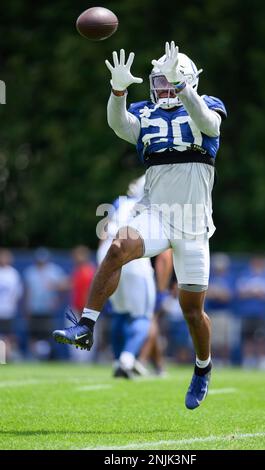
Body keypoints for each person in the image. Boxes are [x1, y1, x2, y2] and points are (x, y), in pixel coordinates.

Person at [53, 41, 227, 409]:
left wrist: (185, 90)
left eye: (170, 82)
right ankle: (85, 324)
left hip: (193, 225)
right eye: (159, 83)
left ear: (188, 82)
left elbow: (207, 123)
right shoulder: (145, 112)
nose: (162, 89)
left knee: (192, 311)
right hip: (157, 214)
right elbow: (119, 125)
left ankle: (202, 367)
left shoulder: (207, 106)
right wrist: (117, 92)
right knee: (117, 247)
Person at [97, 175, 156, 378]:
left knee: (120, 312)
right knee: (143, 315)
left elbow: (103, 235)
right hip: (133, 256)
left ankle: (117, 361)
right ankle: (127, 359)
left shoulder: (119, 202)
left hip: (107, 251)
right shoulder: (154, 205)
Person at [25, 247, 68, 359]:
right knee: (33, 334)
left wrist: (56, 291)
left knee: (48, 334)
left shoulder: (54, 270)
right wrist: (27, 307)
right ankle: (33, 357)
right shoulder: (30, 272)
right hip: (34, 308)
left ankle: (48, 357)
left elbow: (66, 284)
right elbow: (27, 292)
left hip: (48, 309)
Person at [0, 249, 23, 360]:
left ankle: (5, 357)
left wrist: (11, 305)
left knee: (7, 335)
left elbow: (17, 292)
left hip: (7, 310)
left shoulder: (13, 273)